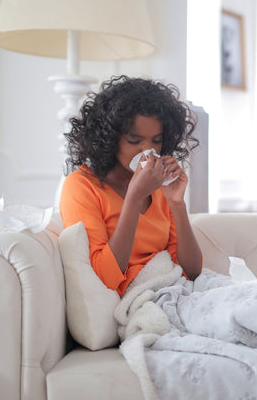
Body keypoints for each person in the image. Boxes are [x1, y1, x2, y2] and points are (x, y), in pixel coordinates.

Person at [59, 75, 203, 296]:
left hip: (177, 291)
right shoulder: (81, 186)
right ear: (109, 138)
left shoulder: (159, 185)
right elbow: (105, 277)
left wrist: (177, 204)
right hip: (145, 299)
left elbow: (192, 272)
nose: (147, 151)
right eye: (134, 141)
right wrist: (134, 198)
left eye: (156, 140)